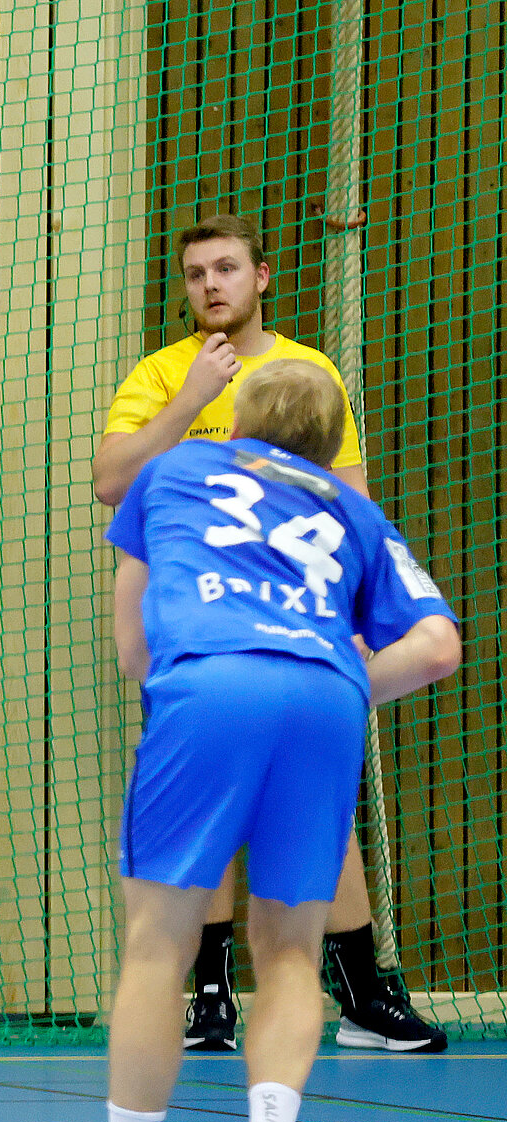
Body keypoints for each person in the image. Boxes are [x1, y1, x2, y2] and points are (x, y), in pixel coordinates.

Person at [55, 359, 461, 1122]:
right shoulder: (355, 511)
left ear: (237, 420)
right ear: (329, 444)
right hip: (325, 694)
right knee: (291, 955)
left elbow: (132, 651)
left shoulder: (172, 471)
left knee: (159, 947)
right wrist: (346, 678)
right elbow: (438, 646)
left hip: (210, 683)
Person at [94, 214, 446, 1054]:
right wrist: (189, 403)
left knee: (320, 805)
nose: (209, 285)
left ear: (262, 276)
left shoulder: (307, 371)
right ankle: (208, 994)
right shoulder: (161, 374)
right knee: (209, 800)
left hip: (298, 623)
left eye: (225, 268)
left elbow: (348, 497)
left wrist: (359, 622)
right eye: (194, 274)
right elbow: (113, 483)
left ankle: (363, 987)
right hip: (200, 625)